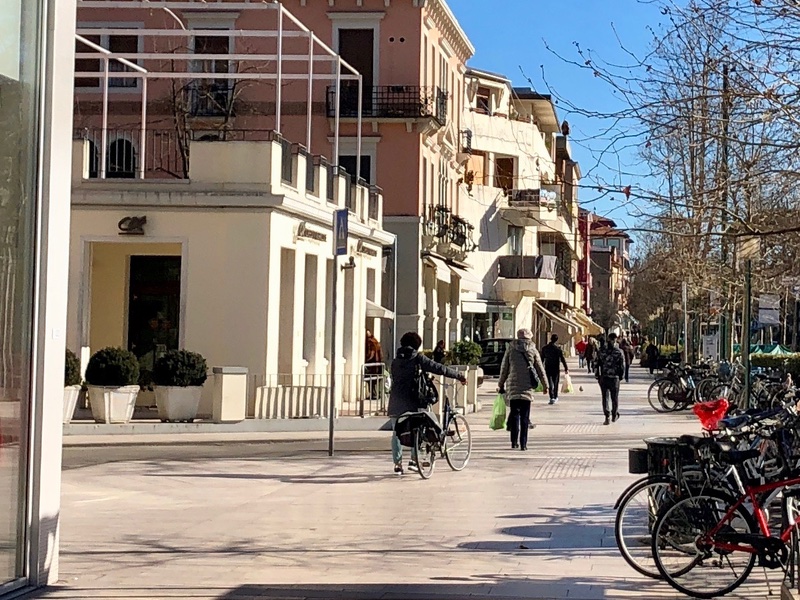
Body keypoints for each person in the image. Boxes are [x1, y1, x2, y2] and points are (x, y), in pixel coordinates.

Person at [388, 331, 466, 475]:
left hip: (396, 402)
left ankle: (397, 464)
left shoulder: (395, 361)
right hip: (414, 401)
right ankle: (414, 460)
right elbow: (439, 368)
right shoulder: (418, 358)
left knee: (397, 432)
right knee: (419, 428)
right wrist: (458, 375)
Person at [497, 328, 548, 451]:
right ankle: (524, 444)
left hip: (513, 386)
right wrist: (546, 385)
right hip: (527, 387)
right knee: (525, 417)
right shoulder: (533, 350)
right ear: (529, 337)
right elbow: (540, 369)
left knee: (514, 414)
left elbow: (504, 368)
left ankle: (514, 442)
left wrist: (501, 384)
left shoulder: (511, 349)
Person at [595, 332, 625, 425]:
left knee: (605, 397)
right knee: (614, 398)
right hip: (614, 378)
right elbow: (622, 366)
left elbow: (596, 363)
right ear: (616, 339)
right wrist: (621, 376)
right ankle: (614, 415)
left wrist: (597, 375)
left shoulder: (601, 351)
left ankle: (607, 416)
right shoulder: (619, 352)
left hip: (604, 377)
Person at [540, 334, 569, 405]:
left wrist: (540, 367)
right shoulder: (558, 349)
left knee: (549, 383)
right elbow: (562, 359)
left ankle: (551, 397)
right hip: (555, 368)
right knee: (555, 383)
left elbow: (541, 359)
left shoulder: (545, 348)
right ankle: (555, 396)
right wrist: (566, 368)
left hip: (548, 367)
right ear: (556, 340)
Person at [365, 330, 384, 400]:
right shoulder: (376, 341)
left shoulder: (371, 342)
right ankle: (376, 393)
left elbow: (371, 353)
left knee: (371, 380)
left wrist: (367, 360)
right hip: (378, 363)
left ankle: (373, 394)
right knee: (375, 380)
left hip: (373, 364)